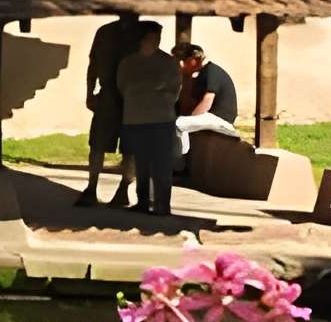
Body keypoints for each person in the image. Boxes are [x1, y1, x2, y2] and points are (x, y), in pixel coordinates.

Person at [76, 11, 144, 207]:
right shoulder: (105, 32)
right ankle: (92, 187)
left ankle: (123, 189)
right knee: (98, 142)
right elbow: (93, 64)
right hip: (109, 94)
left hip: (133, 96)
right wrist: (89, 93)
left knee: (130, 146)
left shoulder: (141, 32)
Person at [115, 21, 184, 215]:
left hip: (161, 119)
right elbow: (122, 87)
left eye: (158, 37)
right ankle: (144, 201)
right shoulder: (128, 62)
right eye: (152, 36)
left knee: (162, 164)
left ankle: (162, 204)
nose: (156, 40)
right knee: (141, 163)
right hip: (136, 118)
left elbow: (175, 89)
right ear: (142, 38)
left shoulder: (168, 62)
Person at [173, 42, 243, 167]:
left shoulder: (211, 71)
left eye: (181, 62)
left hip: (220, 119)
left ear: (194, 60)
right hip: (210, 117)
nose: (180, 66)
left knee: (178, 124)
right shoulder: (201, 74)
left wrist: (189, 118)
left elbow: (207, 101)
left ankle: (179, 163)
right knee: (178, 122)